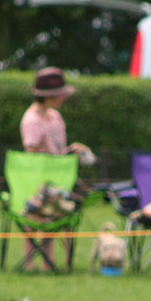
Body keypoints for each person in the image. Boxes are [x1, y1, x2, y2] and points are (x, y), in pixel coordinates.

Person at [19, 67, 94, 272]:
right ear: (49, 96)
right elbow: (31, 157)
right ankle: (32, 264)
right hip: (39, 186)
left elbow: (57, 151)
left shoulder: (55, 116)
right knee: (39, 215)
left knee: (59, 211)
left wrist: (70, 152)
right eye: (60, 94)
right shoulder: (32, 120)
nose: (64, 98)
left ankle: (49, 263)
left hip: (59, 181)